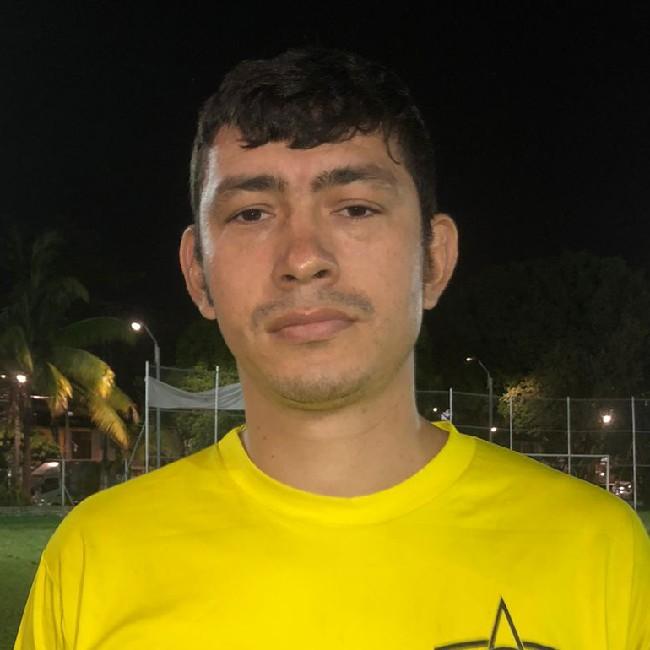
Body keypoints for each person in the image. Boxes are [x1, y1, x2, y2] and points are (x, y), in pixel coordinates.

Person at [15, 48, 649, 649]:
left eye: (355, 208)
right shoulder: (94, 558)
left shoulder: (597, 552)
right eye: (252, 213)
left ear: (434, 259)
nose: (303, 259)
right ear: (197, 272)